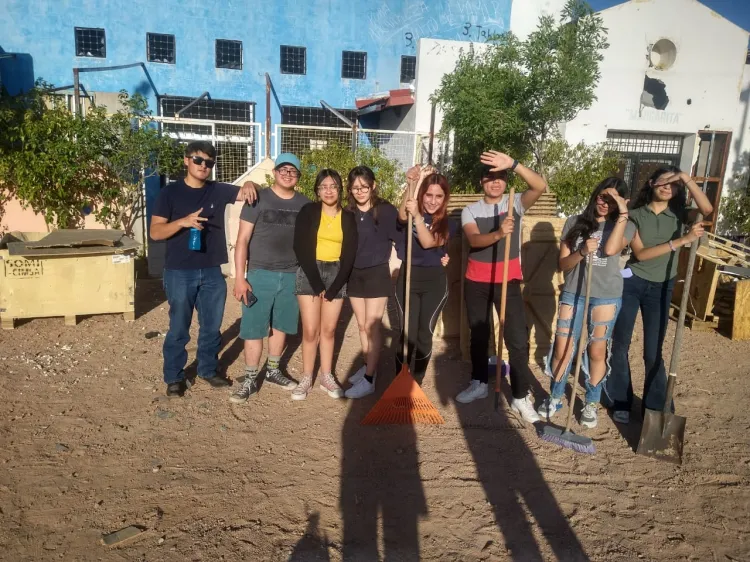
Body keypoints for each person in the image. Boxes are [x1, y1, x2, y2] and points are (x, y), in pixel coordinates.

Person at [150, 141, 259, 397]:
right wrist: (183, 222)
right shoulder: (170, 193)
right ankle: (174, 377)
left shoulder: (217, 191)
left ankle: (208, 369)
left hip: (211, 270)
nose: (203, 166)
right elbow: (155, 232)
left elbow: (246, 192)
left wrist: (252, 184)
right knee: (179, 327)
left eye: (209, 163)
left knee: (211, 326)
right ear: (186, 161)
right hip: (179, 271)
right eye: (198, 160)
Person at [605, 166, 712, 424]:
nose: (667, 186)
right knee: (620, 343)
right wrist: (682, 240)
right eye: (662, 181)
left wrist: (686, 178)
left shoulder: (680, 215)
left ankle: (655, 407)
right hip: (632, 283)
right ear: (651, 183)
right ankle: (621, 399)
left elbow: (706, 209)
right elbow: (640, 254)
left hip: (662, 286)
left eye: (673, 184)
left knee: (653, 351)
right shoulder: (634, 215)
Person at [456, 151, 547, 424]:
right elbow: (474, 240)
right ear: (481, 182)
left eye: (500, 177)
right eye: (489, 178)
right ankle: (479, 382)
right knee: (480, 335)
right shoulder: (469, 210)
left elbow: (540, 186)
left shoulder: (516, 203)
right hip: (477, 282)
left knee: (517, 340)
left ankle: (519, 396)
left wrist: (515, 164)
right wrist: (498, 233)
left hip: (508, 281)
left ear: (506, 180)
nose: (495, 182)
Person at [537, 178, 634, 429]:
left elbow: (612, 250)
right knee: (563, 347)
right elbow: (563, 265)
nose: (605, 204)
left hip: (605, 296)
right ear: (595, 196)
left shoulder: (626, 225)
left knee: (597, 350)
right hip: (573, 293)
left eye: (613, 200)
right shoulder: (574, 222)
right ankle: (556, 396)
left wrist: (623, 213)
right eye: (603, 197)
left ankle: (591, 401)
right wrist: (581, 252)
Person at [230, 153, 310, 404]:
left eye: (293, 171)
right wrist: (240, 278)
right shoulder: (258, 199)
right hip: (259, 274)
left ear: (298, 176)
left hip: (290, 275)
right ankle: (251, 377)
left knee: (282, 325)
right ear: (275, 172)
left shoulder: (305, 204)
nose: (288, 174)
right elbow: (242, 240)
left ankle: (274, 370)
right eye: (283, 170)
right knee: (254, 327)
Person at [291, 169, 358, 401]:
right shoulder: (308, 211)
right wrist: (318, 283)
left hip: (336, 274)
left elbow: (349, 254)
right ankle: (307, 376)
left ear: (340, 189)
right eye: (324, 187)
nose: (328, 191)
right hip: (310, 273)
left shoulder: (348, 217)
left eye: (333, 186)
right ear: (317, 191)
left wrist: (335, 285)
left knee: (328, 330)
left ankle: (326, 375)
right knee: (310, 331)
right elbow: (300, 247)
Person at [394, 166, 455, 384]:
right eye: (428, 195)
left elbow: (429, 242)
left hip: (434, 284)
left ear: (445, 198)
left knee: (424, 334)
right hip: (408, 279)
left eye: (438, 196)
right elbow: (402, 215)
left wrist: (418, 216)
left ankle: (415, 381)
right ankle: (398, 380)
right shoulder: (412, 210)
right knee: (406, 334)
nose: (432, 201)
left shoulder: (448, 223)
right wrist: (412, 182)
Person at [343, 166, 399, 399]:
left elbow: (402, 235)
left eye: (364, 187)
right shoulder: (348, 212)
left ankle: (369, 379)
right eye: (355, 188)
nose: (360, 191)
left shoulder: (385, 210)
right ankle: (369, 368)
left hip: (377, 272)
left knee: (372, 326)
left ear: (373, 185)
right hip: (355, 273)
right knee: (361, 326)